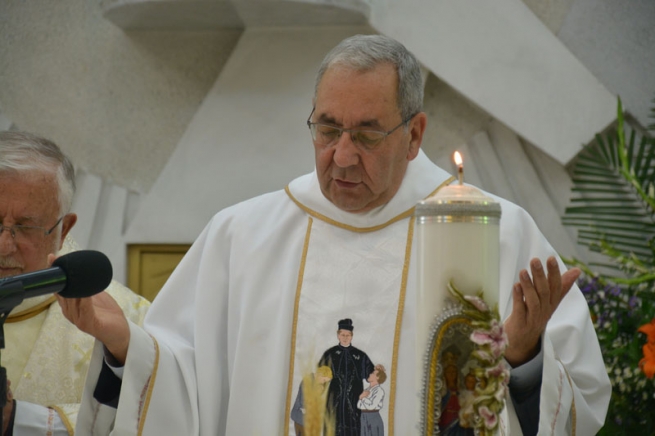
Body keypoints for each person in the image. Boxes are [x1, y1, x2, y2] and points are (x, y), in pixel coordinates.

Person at [60, 34, 611, 435]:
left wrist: (523, 358)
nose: (341, 157)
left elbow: (580, 405)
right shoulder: (241, 236)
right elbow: (183, 386)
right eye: (327, 129)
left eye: (367, 134)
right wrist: (129, 345)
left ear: (414, 134)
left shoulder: (498, 231)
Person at [0, 131, 150, 434]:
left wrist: (18, 420)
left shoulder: (127, 321)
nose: (4, 245)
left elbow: (158, 416)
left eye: (26, 227)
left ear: (64, 228)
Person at [319, 319, 374, 435]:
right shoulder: (330, 354)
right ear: (338, 335)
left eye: (348, 335)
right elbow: (320, 377)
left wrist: (367, 392)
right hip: (334, 399)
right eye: (342, 335)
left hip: (354, 400)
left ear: (352, 336)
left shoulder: (360, 356)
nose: (345, 337)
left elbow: (373, 378)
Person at [290, 365, 332, 435]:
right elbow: (303, 402)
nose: (323, 383)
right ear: (320, 374)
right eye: (324, 380)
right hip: (300, 417)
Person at [357, 365, 386, 436]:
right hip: (364, 417)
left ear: (378, 377)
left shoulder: (379, 390)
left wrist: (363, 398)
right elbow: (359, 405)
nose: (370, 374)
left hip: (373, 417)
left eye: (373, 373)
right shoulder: (367, 389)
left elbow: (372, 406)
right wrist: (362, 397)